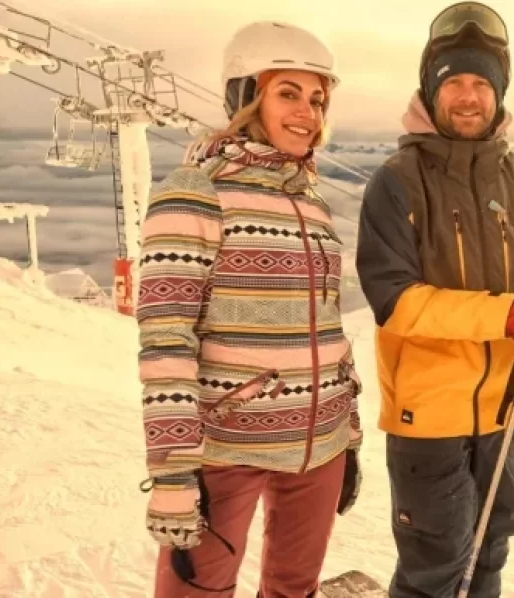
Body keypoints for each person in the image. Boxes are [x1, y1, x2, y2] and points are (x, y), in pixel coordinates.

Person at [355, 3, 514, 596]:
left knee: (490, 556)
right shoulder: (397, 181)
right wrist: (506, 314)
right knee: (435, 569)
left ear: (499, 92)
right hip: (429, 418)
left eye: (480, 83)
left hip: (505, 412)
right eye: (453, 82)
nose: (467, 97)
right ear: (430, 91)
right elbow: (397, 299)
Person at [136, 20, 363, 598]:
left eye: (317, 99)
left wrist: (349, 432)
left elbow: (326, 327)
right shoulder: (194, 192)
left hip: (320, 443)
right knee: (197, 591)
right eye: (288, 93)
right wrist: (172, 473)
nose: (308, 113)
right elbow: (166, 342)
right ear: (245, 97)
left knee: (294, 588)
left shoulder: (310, 202)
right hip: (227, 447)